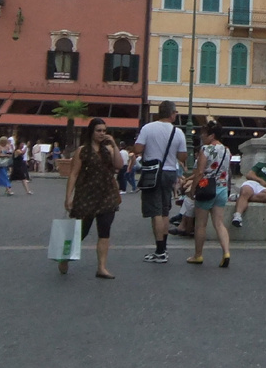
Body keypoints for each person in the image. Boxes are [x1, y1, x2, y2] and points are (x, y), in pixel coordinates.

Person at [61, 118, 123, 278]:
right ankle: (64, 257)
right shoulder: (82, 150)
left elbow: (119, 165)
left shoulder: (108, 150)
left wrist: (114, 145)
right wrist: (68, 197)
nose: (102, 133)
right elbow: (73, 174)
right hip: (87, 195)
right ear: (91, 132)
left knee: (104, 231)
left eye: (104, 130)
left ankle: (101, 267)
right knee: (81, 232)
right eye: (99, 130)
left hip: (106, 195)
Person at [133, 100, 186, 264]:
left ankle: (159, 250)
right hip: (170, 172)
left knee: (155, 211)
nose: (176, 115)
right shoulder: (178, 132)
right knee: (164, 211)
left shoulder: (148, 128)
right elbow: (182, 156)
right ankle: (164, 249)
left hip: (152, 172)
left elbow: (137, 149)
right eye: (175, 112)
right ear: (171, 114)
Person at [182, 121, 231, 268]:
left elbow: (200, 172)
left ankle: (198, 255)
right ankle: (226, 252)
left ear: (212, 135)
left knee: (201, 224)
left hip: (206, 189)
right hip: (221, 189)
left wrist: (192, 190)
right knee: (219, 223)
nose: (201, 136)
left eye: (204, 133)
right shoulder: (227, 151)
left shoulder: (206, 149)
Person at [232, 146, 266, 227]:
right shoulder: (261, 165)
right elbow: (249, 175)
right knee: (246, 191)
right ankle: (237, 216)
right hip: (254, 184)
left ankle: (240, 197)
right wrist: (260, 180)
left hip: (265, 190)